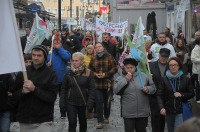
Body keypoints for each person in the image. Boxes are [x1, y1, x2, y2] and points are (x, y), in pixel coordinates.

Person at [13, 45, 58, 132]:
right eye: (34, 55)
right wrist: (22, 91)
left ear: (44, 57)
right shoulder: (23, 72)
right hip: (25, 120)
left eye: (39, 55)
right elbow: (13, 96)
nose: (36, 58)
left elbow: (52, 97)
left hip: (43, 121)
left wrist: (34, 89)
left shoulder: (51, 74)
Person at [114, 58, 156, 132]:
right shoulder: (120, 78)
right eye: (127, 68)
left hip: (142, 111)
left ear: (135, 67)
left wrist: (148, 89)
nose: (129, 69)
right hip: (128, 112)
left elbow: (153, 88)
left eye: (131, 67)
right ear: (124, 67)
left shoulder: (144, 76)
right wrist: (125, 80)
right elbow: (116, 90)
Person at [157, 57, 195, 132]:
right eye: (171, 65)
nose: (173, 67)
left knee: (178, 129)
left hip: (181, 109)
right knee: (170, 129)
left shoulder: (186, 79)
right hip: (168, 110)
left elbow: (192, 93)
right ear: (168, 67)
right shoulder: (164, 79)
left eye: (175, 65)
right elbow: (159, 94)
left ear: (179, 66)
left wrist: (182, 94)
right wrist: (161, 107)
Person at [59, 52, 95, 132]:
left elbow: (92, 89)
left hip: (84, 102)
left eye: (76, 61)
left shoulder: (88, 73)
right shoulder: (68, 73)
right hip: (71, 102)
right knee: (72, 123)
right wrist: (62, 102)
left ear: (82, 61)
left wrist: (91, 101)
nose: (74, 63)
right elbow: (63, 89)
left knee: (83, 123)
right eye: (73, 60)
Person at [89, 43, 117, 129]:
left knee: (107, 102)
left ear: (103, 48)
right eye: (96, 47)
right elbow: (90, 70)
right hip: (97, 83)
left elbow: (115, 68)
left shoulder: (109, 56)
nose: (98, 48)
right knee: (99, 101)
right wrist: (95, 74)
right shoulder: (93, 58)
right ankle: (99, 121)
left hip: (107, 83)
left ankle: (106, 115)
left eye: (99, 46)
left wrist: (106, 74)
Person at [47, 36, 71, 118]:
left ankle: (63, 113)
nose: (56, 44)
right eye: (55, 43)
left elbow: (66, 57)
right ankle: (50, 114)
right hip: (52, 79)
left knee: (63, 97)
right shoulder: (49, 54)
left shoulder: (65, 51)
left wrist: (59, 49)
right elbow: (44, 65)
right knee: (50, 97)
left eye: (58, 43)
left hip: (63, 79)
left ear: (61, 44)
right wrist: (47, 65)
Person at [149, 48, 170, 132]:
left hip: (166, 96)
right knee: (155, 116)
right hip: (154, 95)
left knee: (163, 118)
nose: (164, 58)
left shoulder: (170, 66)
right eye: (162, 56)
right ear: (159, 55)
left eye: (166, 56)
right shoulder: (151, 65)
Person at [191, 38, 200, 103]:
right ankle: (198, 98)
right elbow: (193, 59)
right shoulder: (195, 49)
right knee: (198, 84)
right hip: (197, 70)